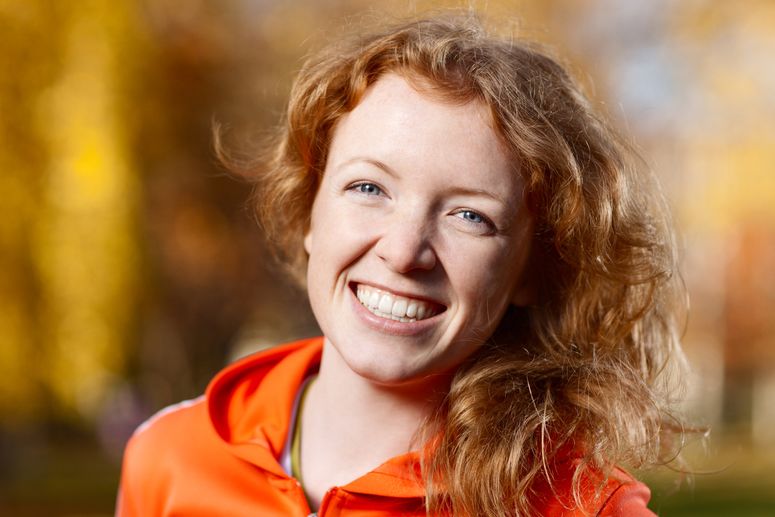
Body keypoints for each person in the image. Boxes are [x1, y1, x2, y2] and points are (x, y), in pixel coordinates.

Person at [117, 14, 690, 517]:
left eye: (470, 216)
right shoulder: (171, 456)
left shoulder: (581, 508)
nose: (403, 250)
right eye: (368, 187)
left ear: (532, 272)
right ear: (310, 207)